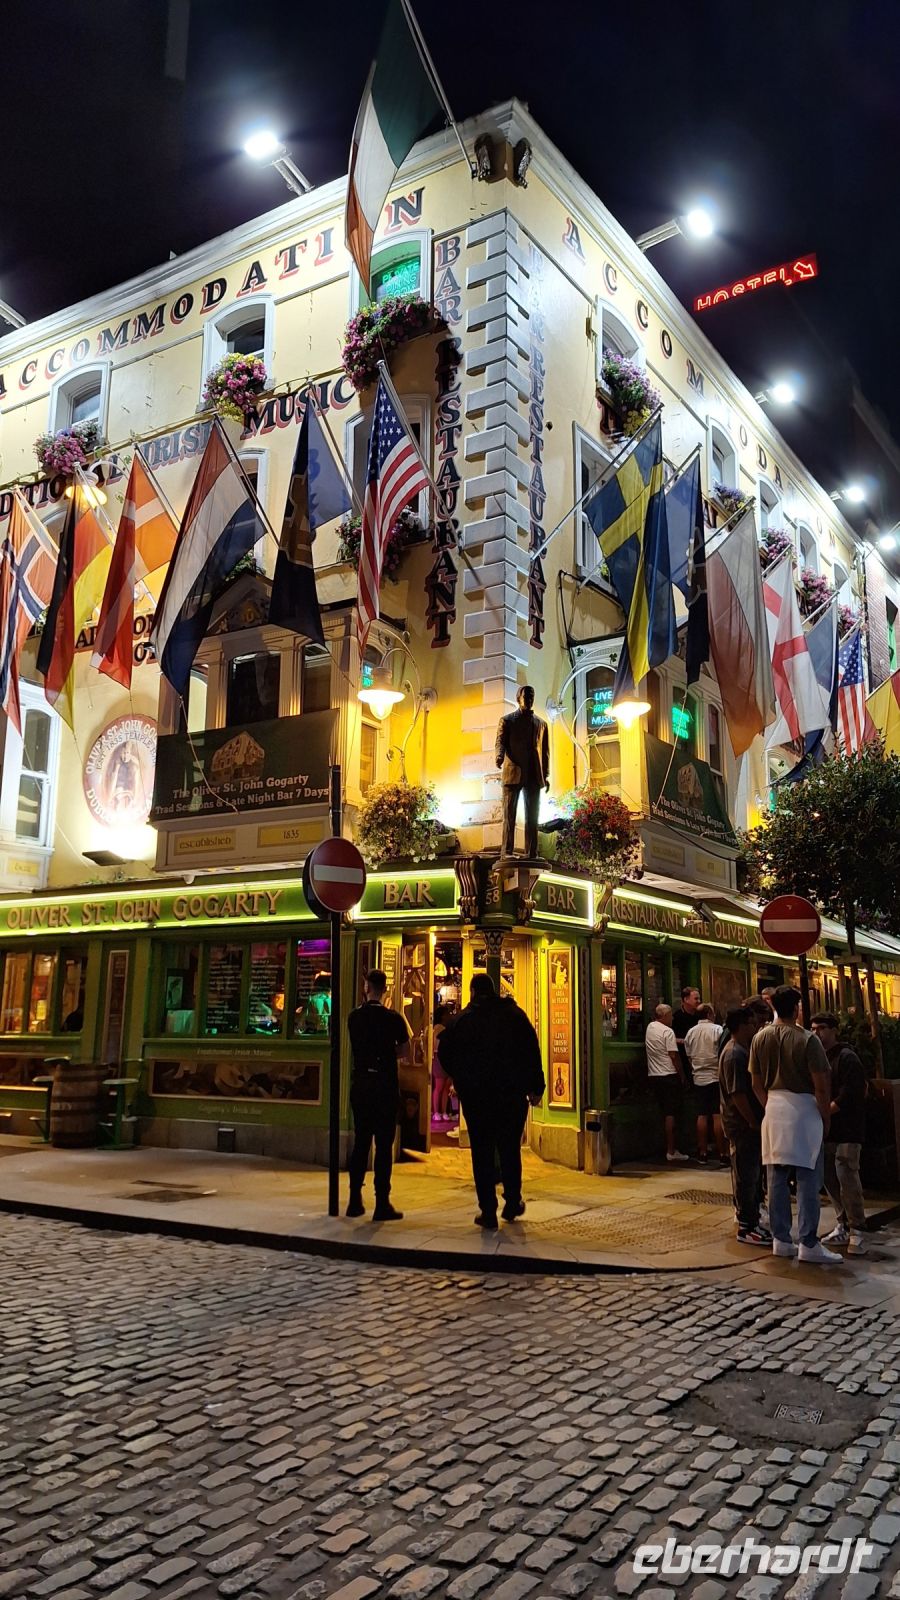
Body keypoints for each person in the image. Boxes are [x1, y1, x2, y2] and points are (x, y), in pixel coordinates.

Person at [437, 973, 545, 1229]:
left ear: (473, 992)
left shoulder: (463, 1020)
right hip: (510, 1095)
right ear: (494, 990)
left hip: (477, 1098)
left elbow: (445, 1052)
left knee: (482, 1152)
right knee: (510, 1149)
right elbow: (531, 1050)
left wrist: (460, 1079)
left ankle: (488, 1210)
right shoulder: (515, 1015)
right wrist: (535, 1086)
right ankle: (512, 1200)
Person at [749, 985, 840, 1265]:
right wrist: (825, 1118)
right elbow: (822, 1086)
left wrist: (770, 1104)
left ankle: (781, 1239)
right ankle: (809, 1242)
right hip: (803, 1109)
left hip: (774, 1108)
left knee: (775, 1177)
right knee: (808, 1178)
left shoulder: (759, 1038)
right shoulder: (807, 1039)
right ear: (796, 1008)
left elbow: (754, 1081)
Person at [346, 969, 410, 1222]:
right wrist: (386, 1053)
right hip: (384, 1085)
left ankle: (354, 1200)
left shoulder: (354, 1017)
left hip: (361, 1083)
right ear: (385, 989)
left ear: (366, 987)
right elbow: (404, 1049)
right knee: (384, 1146)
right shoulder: (393, 1018)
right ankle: (381, 1202)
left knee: (361, 1143)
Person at [811, 1012, 868, 1256]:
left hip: (848, 1127)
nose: (817, 1034)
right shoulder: (817, 1057)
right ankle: (842, 1222)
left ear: (834, 1030)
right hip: (827, 1128)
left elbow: (850, 1094)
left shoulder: (847, 1057)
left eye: (822, 1028)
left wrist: (825, 1110)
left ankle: (857, 1228)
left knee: (846, 1174)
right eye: (813, 1029)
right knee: (829, 1177)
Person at [719, 1005, 770, 1245]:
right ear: (741, 1027)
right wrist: (752, 1120)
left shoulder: (742, 1050)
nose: (755, 1027)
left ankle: (751, 1217)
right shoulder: (734, 1054)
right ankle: (747, 1224)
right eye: (751, 1024)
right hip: (741, 1124)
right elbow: (737, 1093)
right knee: (745, 1172)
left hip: (745, 1123)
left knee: (750, 1171)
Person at [495, 684, 550, 858]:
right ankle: (507, 851)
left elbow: (545, 752)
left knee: (532, 817)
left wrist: (546, 775)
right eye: (526, 696)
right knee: (509, 816)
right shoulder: (507, 720)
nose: (529, 700)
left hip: (534, 774)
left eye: (532, 697)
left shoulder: (541, 724)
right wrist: (499, 756)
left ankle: (531, 852)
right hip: (513, 773)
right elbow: (500, 742)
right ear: (518, 698)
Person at [685, 1003, 729, 1164]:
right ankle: (722, 1152)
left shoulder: (691, 1032)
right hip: (716, 1076)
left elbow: (689, 1056)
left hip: (699, 1077)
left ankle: (702, 1151)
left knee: (702, 1115)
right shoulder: (718, 1030)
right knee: (717, 1114)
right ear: (710, 1014)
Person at [645, 1003, 688, 1162]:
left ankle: (665, 1146)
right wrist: (682, 1075)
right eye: (670, 1015)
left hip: (654, 1074)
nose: (672, 1018)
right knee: (672, 1113)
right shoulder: (668, 1031)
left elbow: (662, 1041)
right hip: (669, 1074)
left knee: (663, 1111)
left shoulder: (650, 1027)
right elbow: (673, 1056)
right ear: (663, 1016)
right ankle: (671, 1150)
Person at [431, 1002, 455, 1123]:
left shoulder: (437, 1029)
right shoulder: (438, 1029)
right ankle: (438, 1111)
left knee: (443, 1087)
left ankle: (441, 1111)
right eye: (447, 1014)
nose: (450, 1015)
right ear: (442, 1016)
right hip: (439, 1057)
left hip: (441, 1057)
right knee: (441, 1086)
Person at [671, 986, 701, 1072]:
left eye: (699, 999)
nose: (699, 1001)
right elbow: (671, 1038)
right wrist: (684, 1041)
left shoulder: (700, 1015)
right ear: (686, 999)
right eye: (696, 999)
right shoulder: (677, 1017)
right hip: (684, 1058)